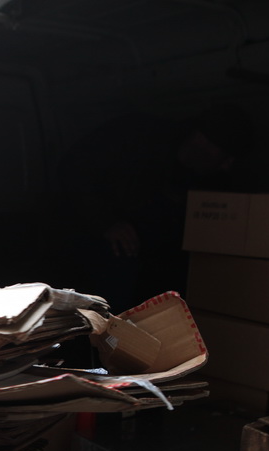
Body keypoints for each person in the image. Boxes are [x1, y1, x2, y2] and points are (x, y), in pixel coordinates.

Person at [54, 104, 253, 310]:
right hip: (97, 240)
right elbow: (74, 169)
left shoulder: (207, 180)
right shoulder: (138, 136)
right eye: (225, 156)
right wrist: (106, 223)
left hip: (148, 260)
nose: (227, 166)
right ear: (202, 141)